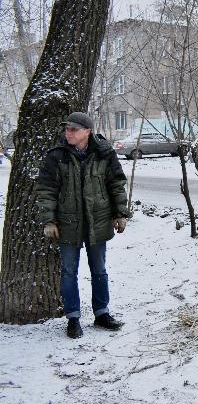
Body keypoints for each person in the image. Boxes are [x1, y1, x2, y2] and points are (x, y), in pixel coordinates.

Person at [35, 112, 131, 339]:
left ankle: (102, 313)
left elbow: (116, 184)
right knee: (69, 272)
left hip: (97, 221)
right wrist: (49, 220)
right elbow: (46, 190)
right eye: (67, 129)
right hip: (68, 224)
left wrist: (120, 213)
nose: (68, 133)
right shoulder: (56, 156)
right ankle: (73, 318)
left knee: (99, 270)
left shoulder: (104, 153)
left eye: (73, 129)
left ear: (87, 131)